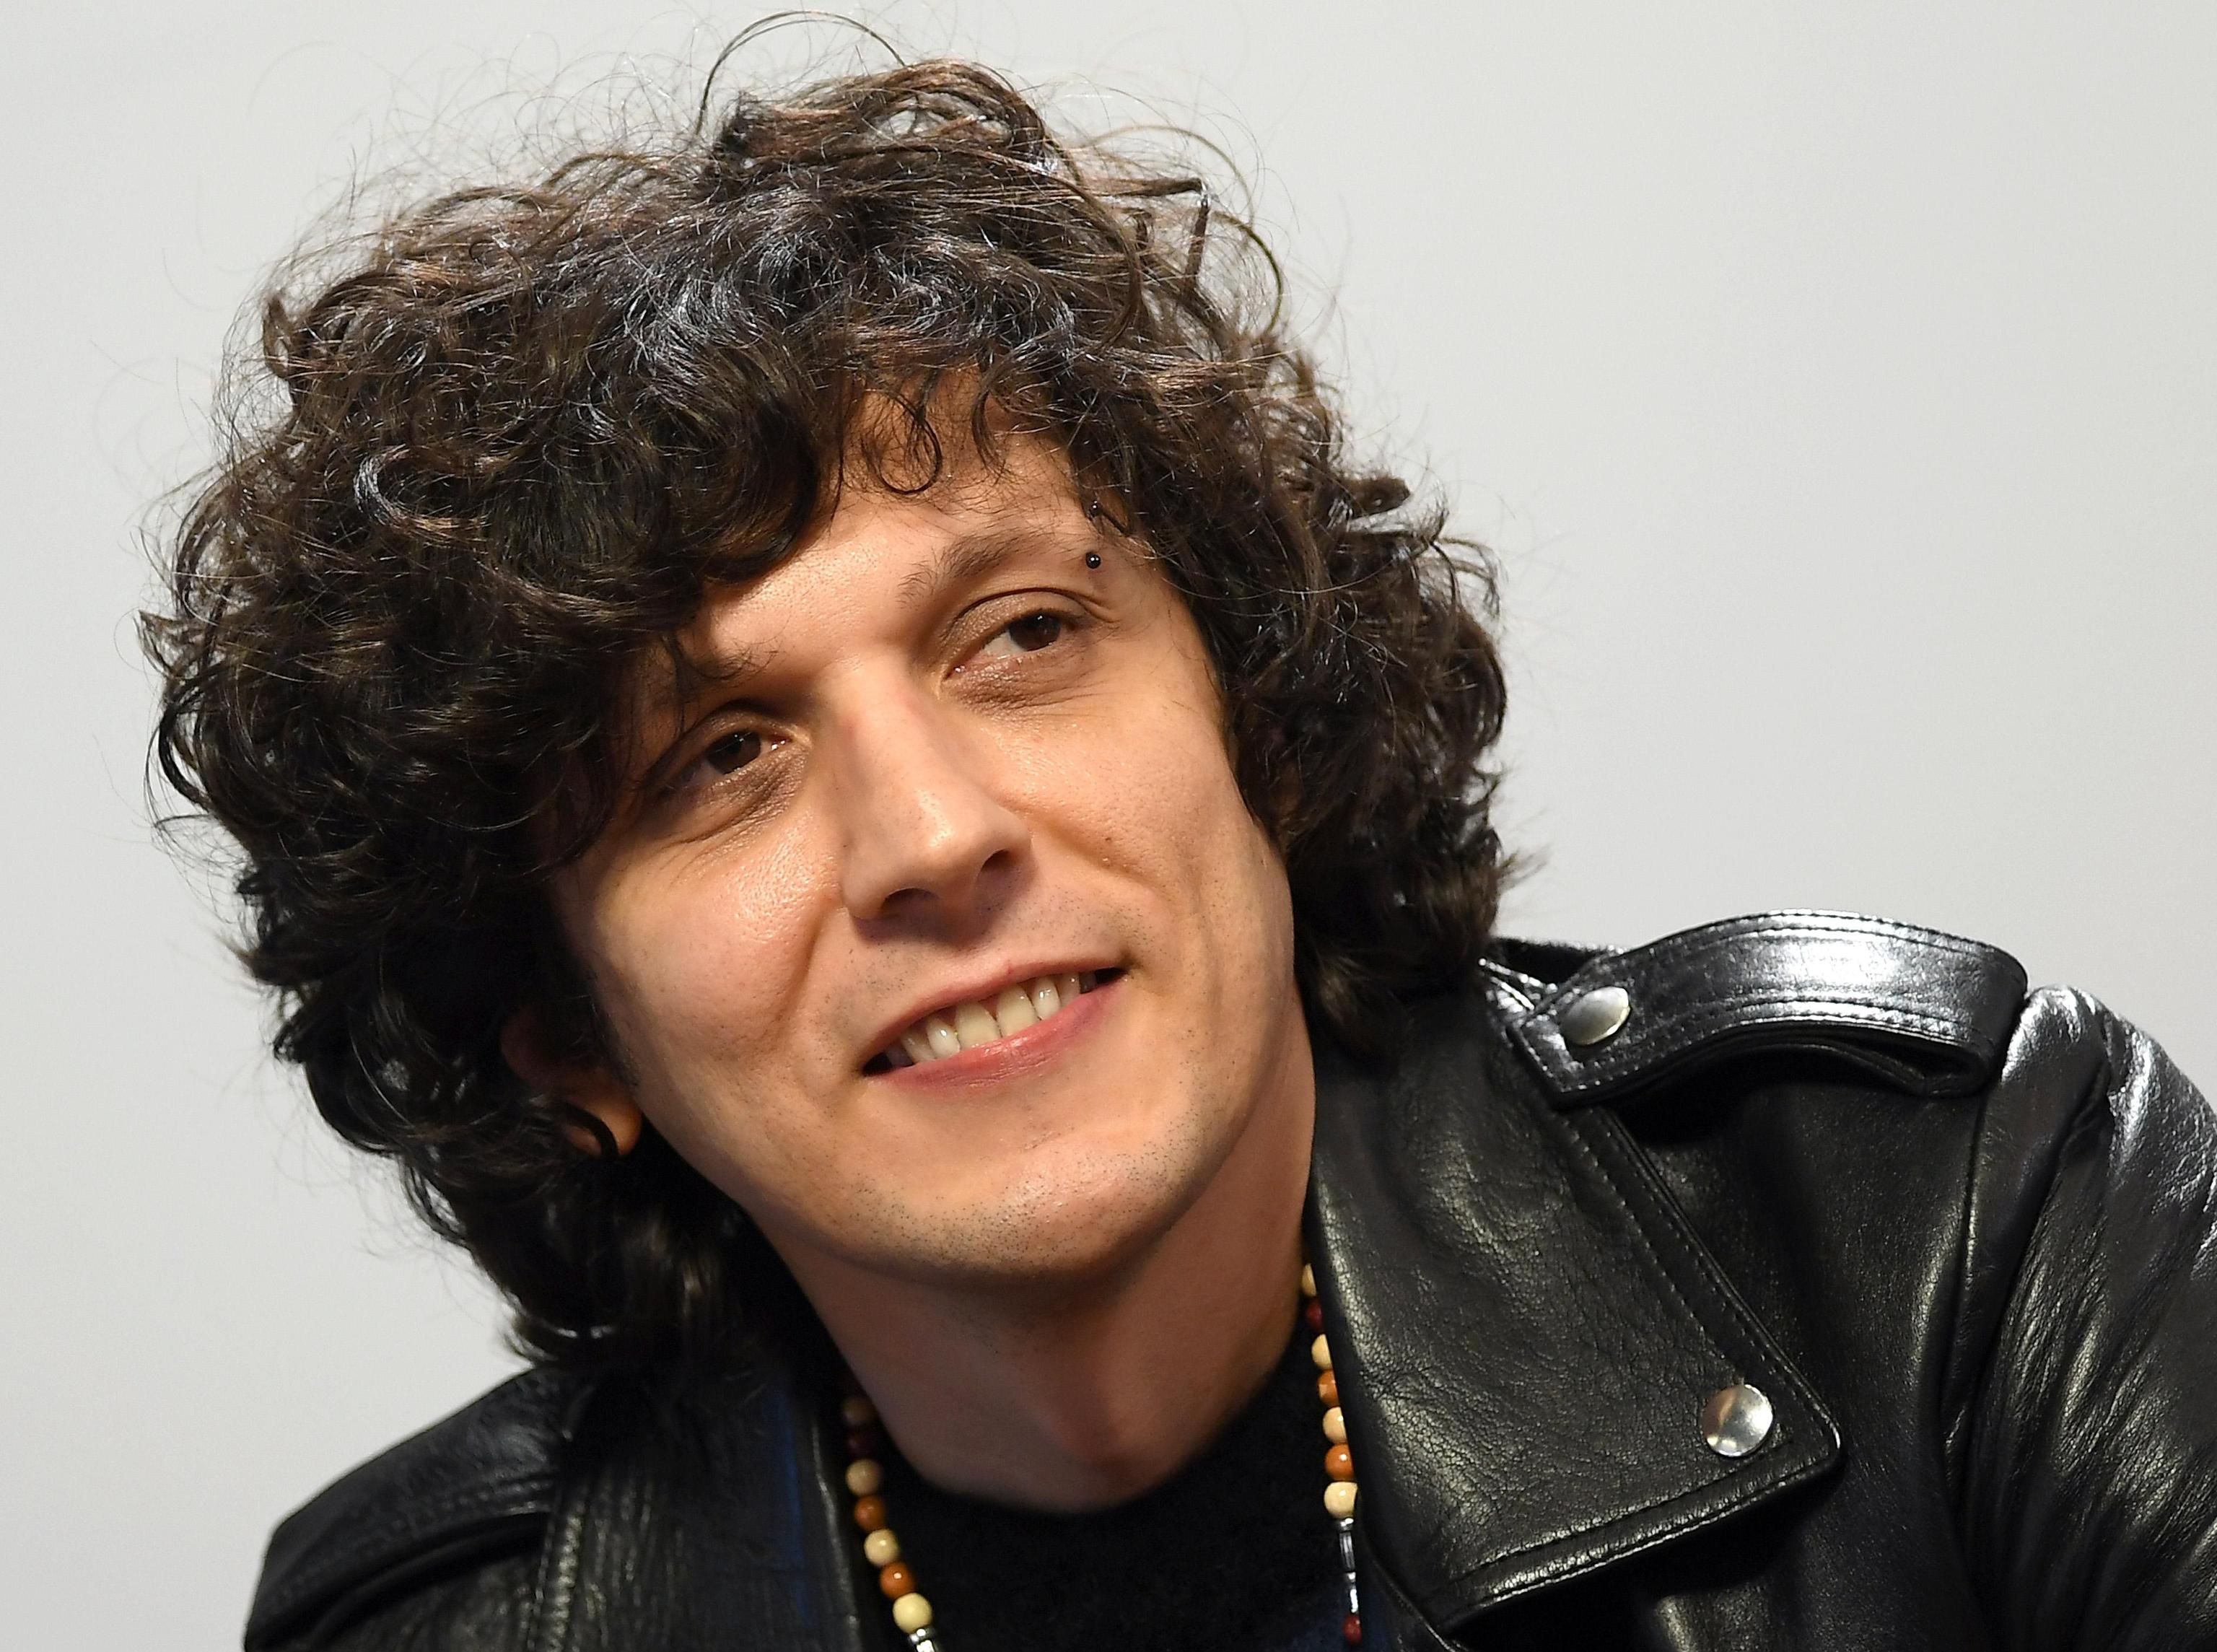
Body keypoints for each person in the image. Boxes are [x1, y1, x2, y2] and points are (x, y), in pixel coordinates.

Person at [147, 56, 2217, 1652]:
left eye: (1022, 637)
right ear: (565, 1037)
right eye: (721, 759)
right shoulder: (448, 1631)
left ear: (1258, 718)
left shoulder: (1944, 1229)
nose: (935, 834)